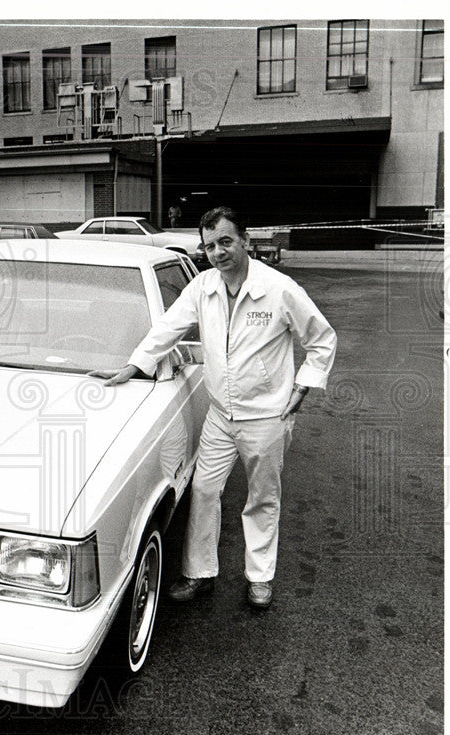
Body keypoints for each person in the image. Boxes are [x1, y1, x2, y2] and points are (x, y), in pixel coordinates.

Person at [88, 206, 337, 608]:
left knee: (262, 499)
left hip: (266, 417)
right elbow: (168, 328)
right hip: (221, 416)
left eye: (225, 242)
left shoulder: (279, 289)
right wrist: (133, 367)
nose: (218, 252)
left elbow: (322, 340)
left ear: (245, 240)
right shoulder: (203, 287)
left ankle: (259, 578)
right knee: (203, 490)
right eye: (209, 246)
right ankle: (200, 573)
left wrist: (304, 386)